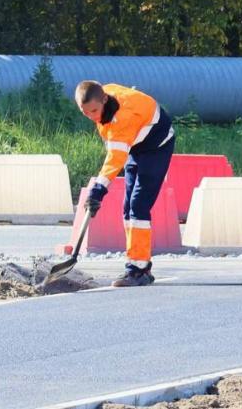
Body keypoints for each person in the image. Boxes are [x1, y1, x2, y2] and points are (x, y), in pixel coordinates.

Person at [75, 80, 175, 287]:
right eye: (85, 113)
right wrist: (98, 191)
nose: (92, 116)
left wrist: (98, 190)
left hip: (157, 146)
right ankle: (140, 264)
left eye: (94, 111)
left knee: (138, 205)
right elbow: (115, 149)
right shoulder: (104, 97)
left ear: (104, 100)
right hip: (136, 145)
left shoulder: (123, 118)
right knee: (128, 207)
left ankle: (138, 270)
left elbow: (115, 160)